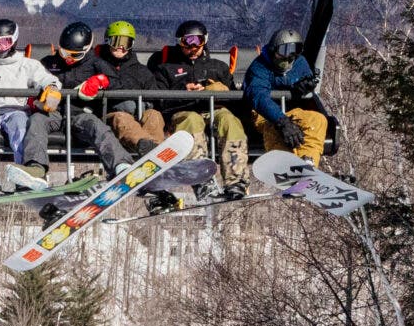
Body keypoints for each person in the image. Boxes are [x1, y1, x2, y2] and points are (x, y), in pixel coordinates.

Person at [151, 21, 250, 195]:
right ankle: (201, 179)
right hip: (182, 112)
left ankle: (237, 180)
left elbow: (234, 99)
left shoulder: (218, 67)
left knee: (229, 120)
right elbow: (158, 99)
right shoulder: (166, 69)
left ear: (205, 41)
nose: (194, 47)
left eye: (199, 40)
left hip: (214, 110)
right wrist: (183, 91)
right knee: (192, 120)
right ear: (180, 42)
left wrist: (219, 90)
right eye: (188, 42)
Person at [0, 19, 60, 189]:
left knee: (21, 125)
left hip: (15, 109)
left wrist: (51, 88)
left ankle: (24, 174)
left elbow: (47, 79)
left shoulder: (27, 65)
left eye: (5, 42)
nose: (0, 48)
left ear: (14, 40)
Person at [39, 22, 131, 175]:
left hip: (79, 114)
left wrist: (100, 81)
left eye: (75, 55)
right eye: (64, 53)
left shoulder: (96, 63)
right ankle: (35, 170)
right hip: (52, 113)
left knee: (96, 126)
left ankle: (121, 165)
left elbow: (117, 83)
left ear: (87, 49)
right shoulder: (48, 63)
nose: (68, 59)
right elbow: (33, 79)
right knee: (35, 121)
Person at [243, 27, 331, 165]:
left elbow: (306, 76)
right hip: (265, 114)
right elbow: (259, 97)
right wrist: (281, 121)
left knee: (317, 120)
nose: (288, 56)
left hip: (293, 110)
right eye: (283, 51)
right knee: (272, 128)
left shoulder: (299, 62)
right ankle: (284, 164)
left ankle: (308, 160)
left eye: (294, 51)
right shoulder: (259, 68)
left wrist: (304, 85)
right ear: (273, 50)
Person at [93, 21, 168, 151]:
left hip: (138, 114)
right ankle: (148, 148)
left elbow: (154, 96)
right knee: (122, 118)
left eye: (125, 43)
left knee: (153, 114)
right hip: (109, 116)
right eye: (115, 42)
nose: (120, 47)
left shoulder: (141, 71)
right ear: (107, 42)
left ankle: (154, 152)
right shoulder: (97, 66)